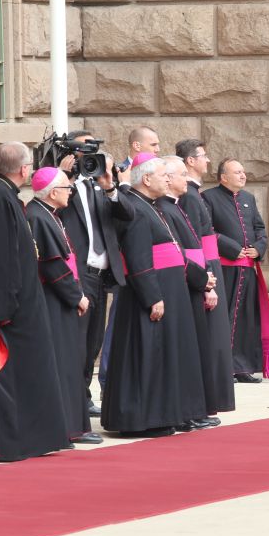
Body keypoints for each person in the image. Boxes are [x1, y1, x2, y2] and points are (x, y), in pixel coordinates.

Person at [0, 142, 70, 461]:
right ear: (25, 170)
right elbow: (0, 257)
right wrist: (3, 310)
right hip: (13, 308)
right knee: (16, 374)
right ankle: (15, 440)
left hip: (19, 301)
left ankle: (33, 437)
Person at [102, 154, 205, 438]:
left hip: (164, 289)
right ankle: (143, 419)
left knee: (161, 357)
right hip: (146, 297)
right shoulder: (135, 208)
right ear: (146, 179)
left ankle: (162, 415)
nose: (168, 180)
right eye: (163, 175)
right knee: (146, 356)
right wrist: (152, 296)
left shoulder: (151, 206)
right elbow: (138, 258)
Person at [57, 131, 133, 418]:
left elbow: (128, 214)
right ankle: (74, 397)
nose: (89, 158)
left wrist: (112, 187)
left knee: (93, 342)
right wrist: (64, 177)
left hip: (102, 275)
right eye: (83, 151)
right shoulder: (65, 187)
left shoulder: (101, 186)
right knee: (77, 339)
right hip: (79, 273)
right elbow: (53, 210)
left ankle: (84, 393)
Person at [26, 167, 102, 444]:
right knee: (63, 363)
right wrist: (76, 296)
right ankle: (66, 427)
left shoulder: (50, 215)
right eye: (67, 189)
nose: (71, 193)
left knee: (73, 361)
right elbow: (51, 265)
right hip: (53, 301)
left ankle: (74, 425)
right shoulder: (37, 216)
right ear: (54, 192)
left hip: (63, 299)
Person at [99, 125, 162, 392]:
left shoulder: (156, 173)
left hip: (150, 263)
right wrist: (122, 185)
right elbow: (121, 215)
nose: (158, 149)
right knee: (116, 324)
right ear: (137, 146)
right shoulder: (116, 173)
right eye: (154, 145)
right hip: (122, 265)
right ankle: (107, 379)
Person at [175, 140, 236, 417]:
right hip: (204, 269)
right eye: (203, 156)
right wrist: (207, 281)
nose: (208, 161)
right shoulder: (188, 195)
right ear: (190, 161)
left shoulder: (194, 194)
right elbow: (192, 242)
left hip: (210, 265)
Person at [158, 156, 218, 430]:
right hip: (185, 283)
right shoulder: (165, 210)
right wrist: (202, 279)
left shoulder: (176, 207)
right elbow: (179, 254)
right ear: (168, 179)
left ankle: (196, 409)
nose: (187, 179)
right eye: (182, 174)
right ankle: (189, 411)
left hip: (195, 281)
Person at [203, 159, 269, 383]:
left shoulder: (248, 198)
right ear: (223, 177)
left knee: (246, 319)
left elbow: (260, 229)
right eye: (237, 172)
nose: (243, 176)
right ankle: (225, 368)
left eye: (243, 172)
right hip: (225, 269)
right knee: (226, 317)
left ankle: (242, 367)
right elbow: (207, 230)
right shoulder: (209, 197)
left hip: (248, 269)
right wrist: (233, 249)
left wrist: (258, 248)